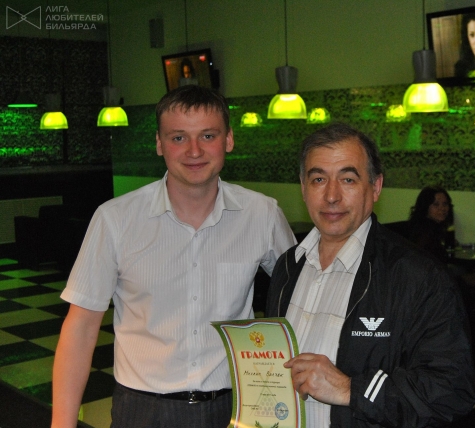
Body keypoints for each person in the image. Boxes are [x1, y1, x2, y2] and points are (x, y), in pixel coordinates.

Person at [51, 85, 296, 428]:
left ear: (228, 140)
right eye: (178, 138)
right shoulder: (115, 219)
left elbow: (302, 296)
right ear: (159, 144)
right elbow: (80, 327)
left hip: (234, 407)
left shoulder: (262, 214)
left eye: (208, 135)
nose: (194, 150)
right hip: (141, 411)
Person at [265, 123, 475, 427]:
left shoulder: (418, 276)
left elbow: (451, 391)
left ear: (375, 187)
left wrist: (350, 389)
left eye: (348, 179)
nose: (331, 196)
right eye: (319, 179)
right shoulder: (288, 266)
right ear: (303, 187)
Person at [408, 186, 475, 289]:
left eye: (445, 204)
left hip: (440, 276)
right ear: (425, 207)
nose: (442, 208)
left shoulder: (436, 228)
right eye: (436, 205)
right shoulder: (424, 231)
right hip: (434, 282)